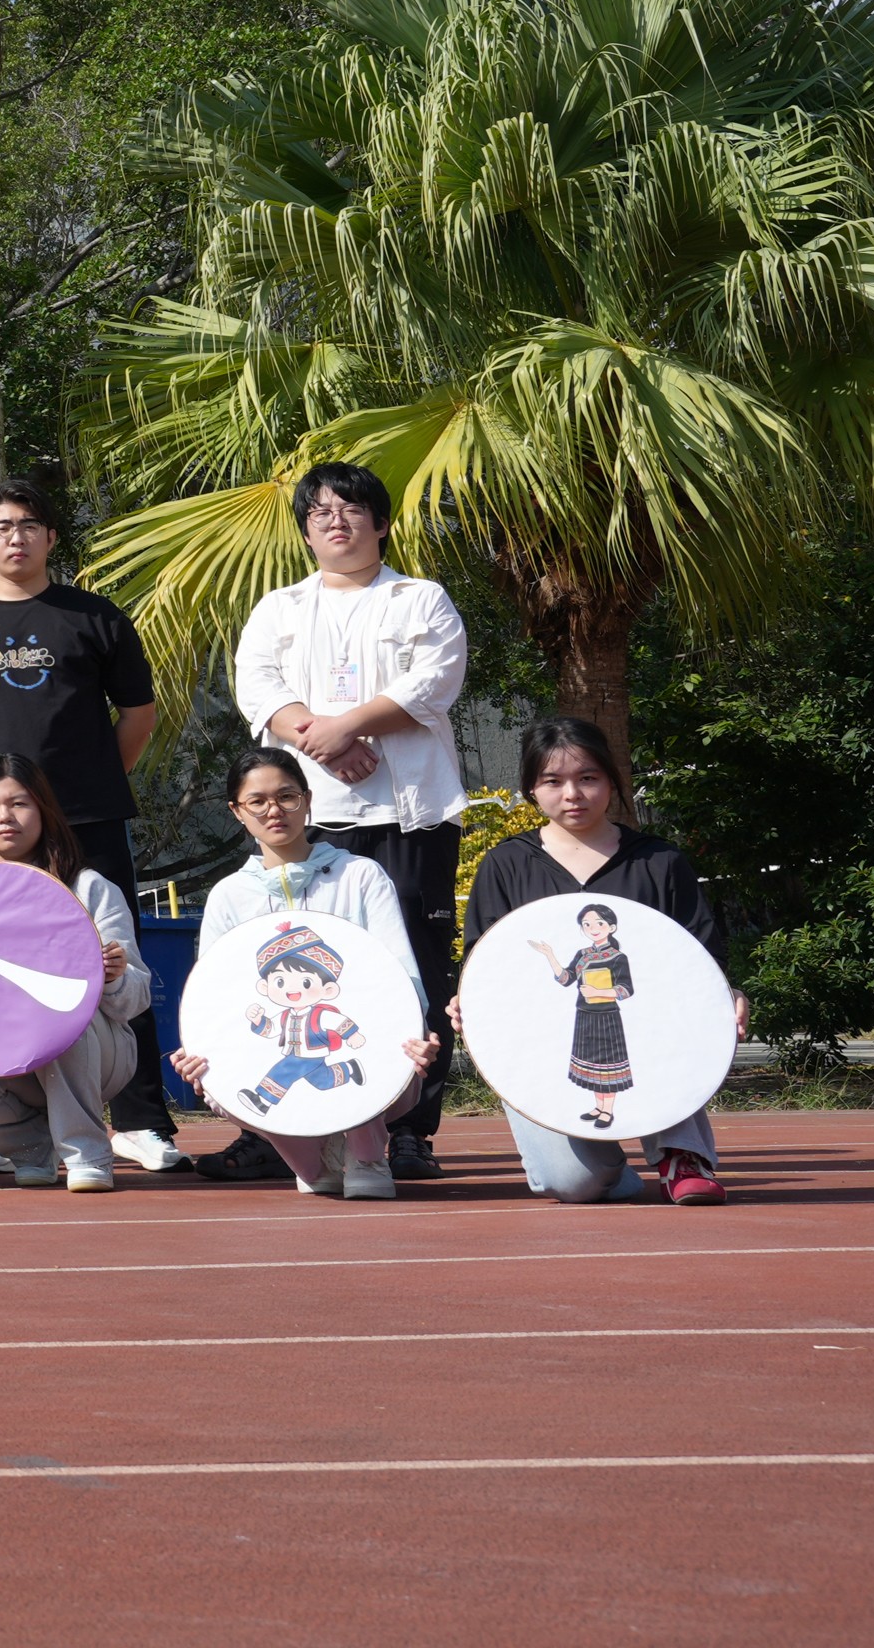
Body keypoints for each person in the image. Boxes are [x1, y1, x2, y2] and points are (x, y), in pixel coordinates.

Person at [0, 480, 181, 1176]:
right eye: (3, 527)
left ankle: (143, 1122)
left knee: (114, 961)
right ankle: (16, 1126)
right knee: (5, 968)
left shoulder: (95, 617)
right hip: (3, 838)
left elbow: (138, 714)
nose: (17, 537)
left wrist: (87, 786)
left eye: (31, 524)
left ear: (52, 537)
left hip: (90, 816)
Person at [234, 460, 471, 1179]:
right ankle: (278, 1129)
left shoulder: (420, 599)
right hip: (305, 819)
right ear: (306, 532)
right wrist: (323, 741)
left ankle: (411, 1131)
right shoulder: (279, 608)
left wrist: (346, 727)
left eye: (351, 509)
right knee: (287, 966)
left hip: (410, 814)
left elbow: (434, 681)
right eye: (320, 513)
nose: (335, 521)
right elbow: (257, 685)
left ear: (382, 523)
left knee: (415, 965)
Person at [456, 717, 736, 1206]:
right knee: (573, 1184)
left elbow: (699, 955)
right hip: (542, 1039)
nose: (573, 794)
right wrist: (467, 1001)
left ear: (611, 780)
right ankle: (610, 1170)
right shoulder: (506, 864)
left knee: (666, 1025)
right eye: (553, 781)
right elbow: (485, 961)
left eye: (588, 778)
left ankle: (682, 1155)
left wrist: (727, 993)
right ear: (531, 789)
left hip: (647, 1024)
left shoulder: (658, 862)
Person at [178, 748, 427, 1200]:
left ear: (308, 800)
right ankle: (313, 1162)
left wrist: (414, 1027)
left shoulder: (359, 875)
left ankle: (367, 1156)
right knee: (220, 1077)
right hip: (283, 1041)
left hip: (346, 1039)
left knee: (383, 1049)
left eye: (286, 796)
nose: (274, 810)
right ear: (237, 811)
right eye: (257, 801)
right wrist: (198, 1046)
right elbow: (214, 994)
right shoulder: (229, 895)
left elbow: (398, 972)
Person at [0, 749, 149, 1194]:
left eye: (19, 803)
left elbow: (137, 998)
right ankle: (33, 1147)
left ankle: (88, 1153)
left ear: (44, 809)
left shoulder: (88, 888)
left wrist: (114, 977)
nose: (5, 817)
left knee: (59, 1017)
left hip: (95, 1054)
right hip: (2, 1058)